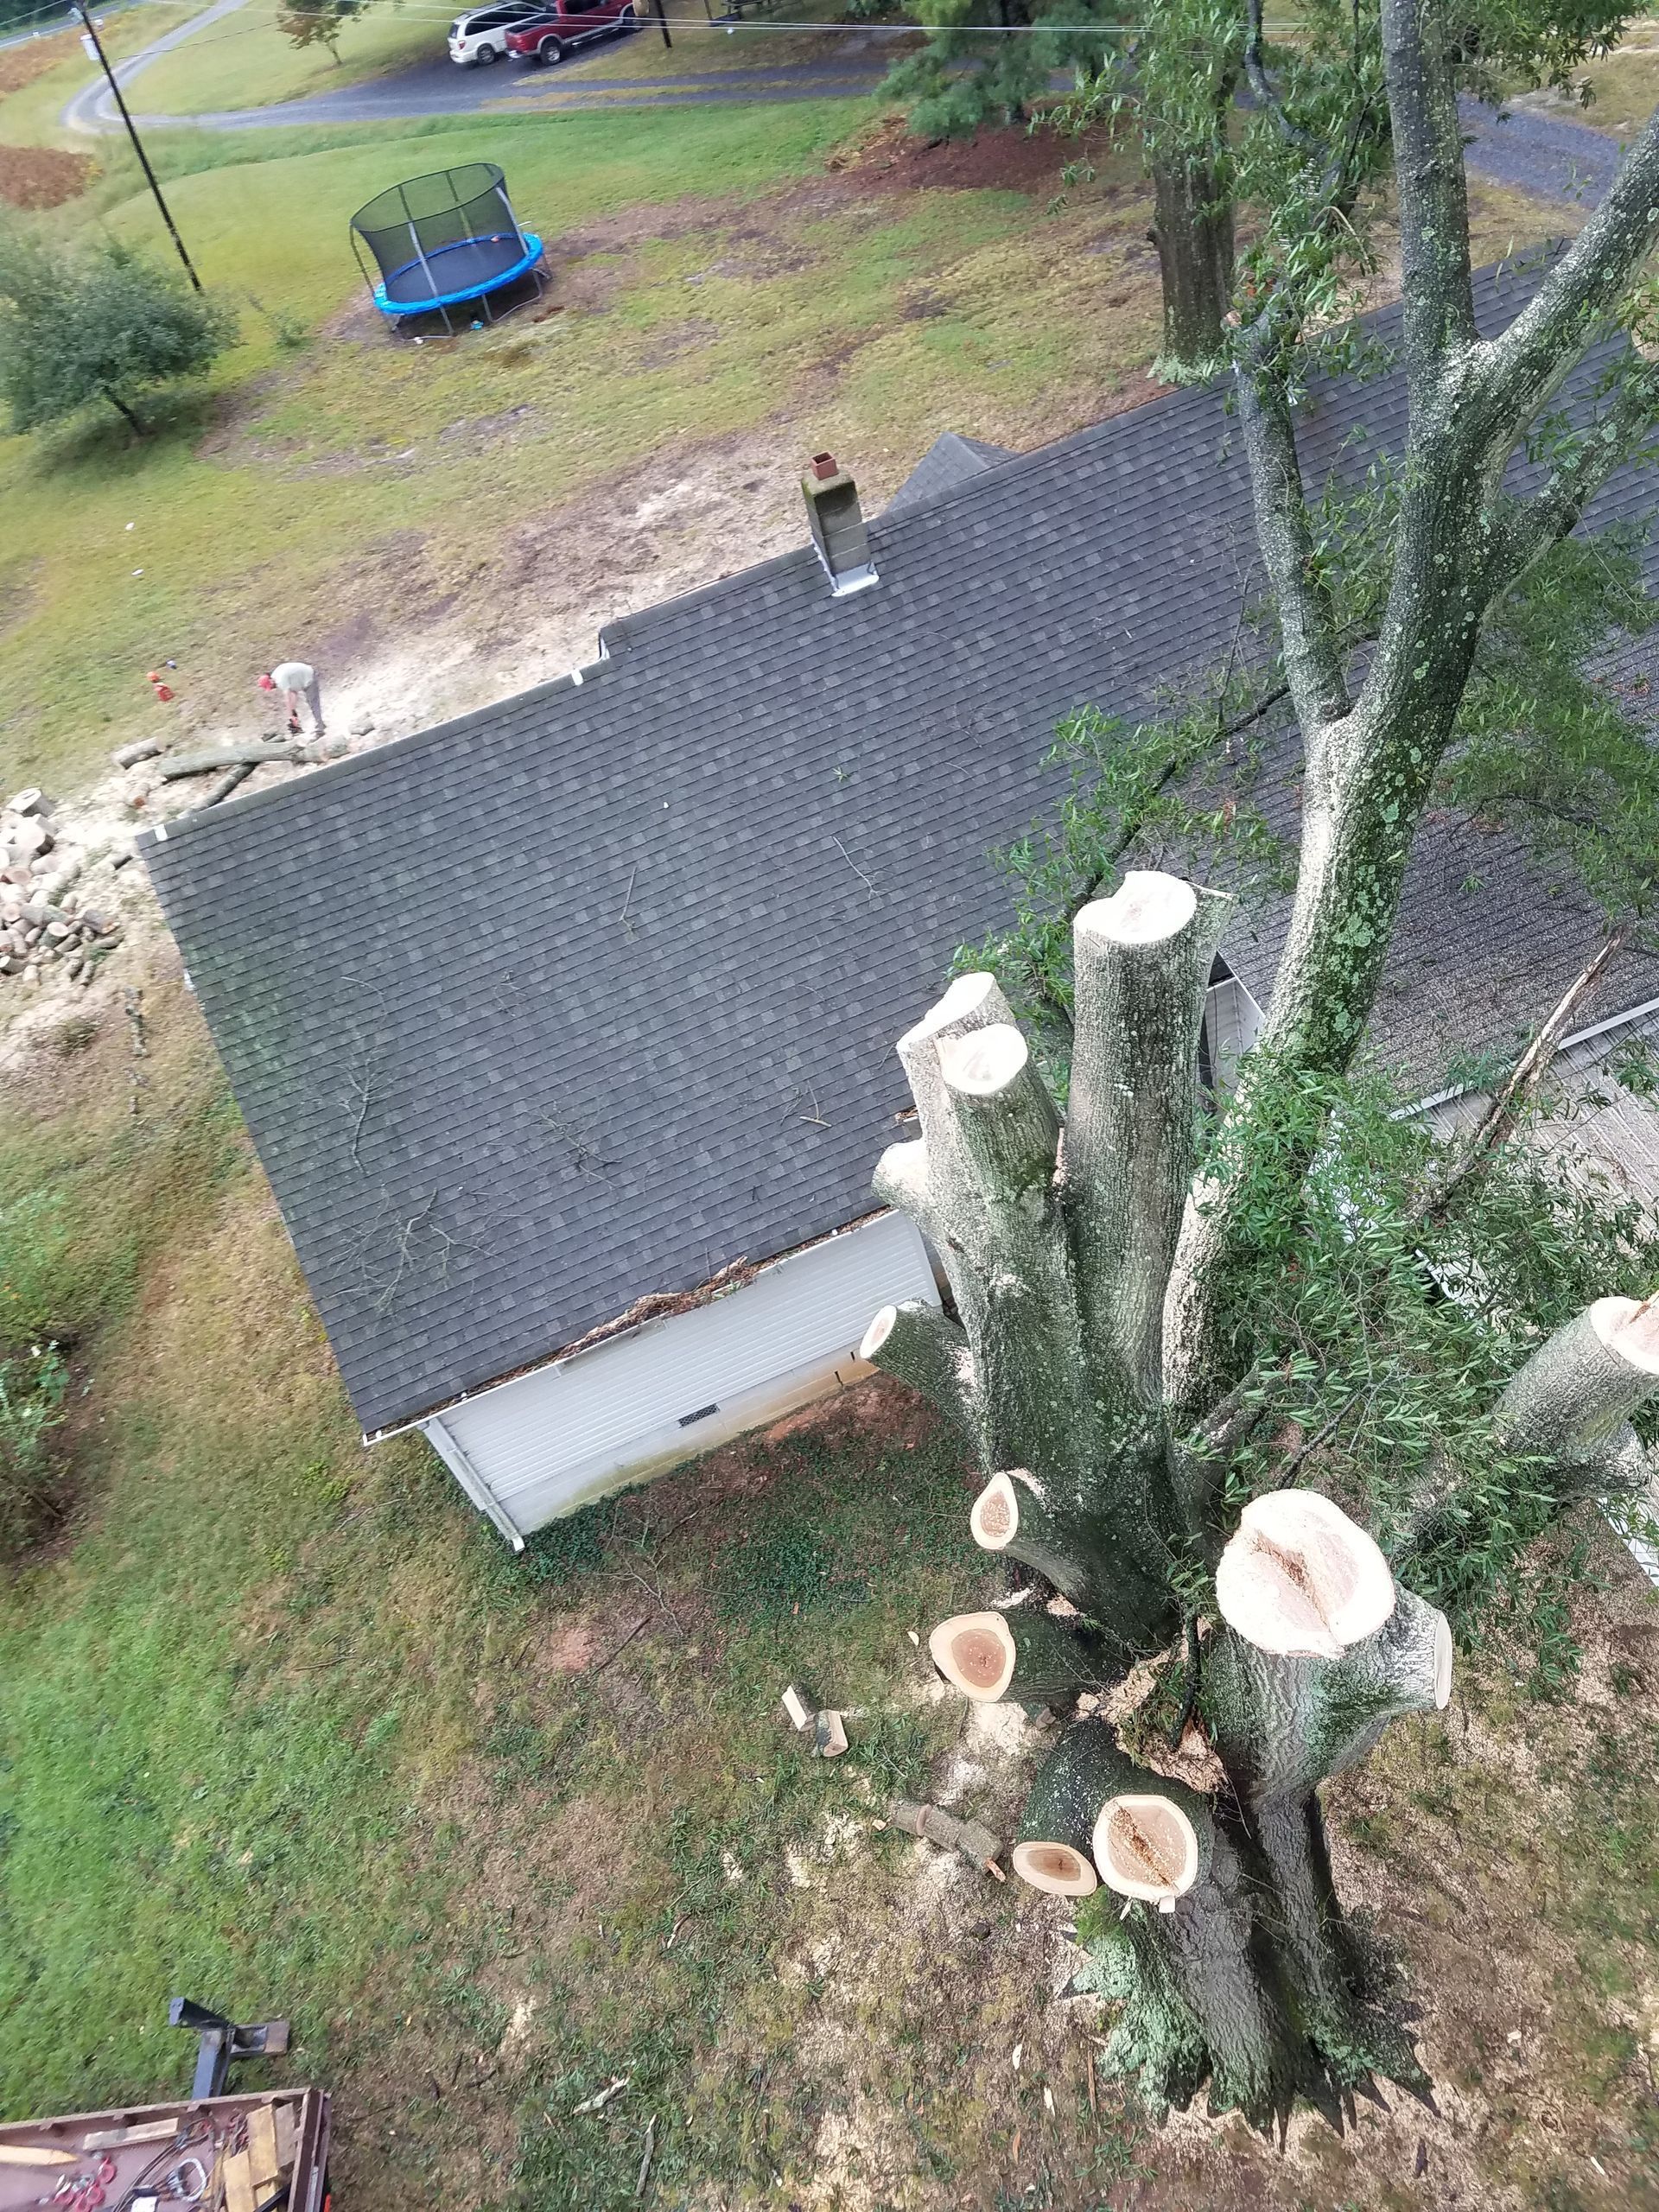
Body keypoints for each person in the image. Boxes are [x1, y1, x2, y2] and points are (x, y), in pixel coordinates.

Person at [258, 660, 325, 738]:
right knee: (310, 702)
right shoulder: (276, 674)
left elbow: (287, 698)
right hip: (305, 676)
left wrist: (290, 717)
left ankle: (320, 730)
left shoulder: (280, 680)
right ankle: (321, 724)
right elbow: (293, 693)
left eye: (271, 686)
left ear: (270, 681)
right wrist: (294, 713)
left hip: (309, 677)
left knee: (313, 704)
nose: (272, 688)